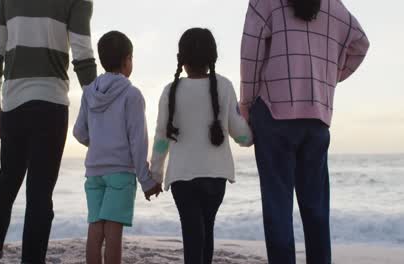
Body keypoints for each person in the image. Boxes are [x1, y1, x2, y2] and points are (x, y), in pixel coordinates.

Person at [240, 0, 370, 263]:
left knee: (278, 208)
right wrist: (328, 77)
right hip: (317, 116)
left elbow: (250, 55)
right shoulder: (334, 6)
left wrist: (247, 103)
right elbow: (360, 44)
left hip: (274, 113)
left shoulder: (264, 2)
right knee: (316, 210)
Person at [0, 0, 98, 263]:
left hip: (13, 104)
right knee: (40, 192)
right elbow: (82, 53)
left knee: (7, 181)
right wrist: (97, 107)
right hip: (51, 104)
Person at [149, 28, 253, 264]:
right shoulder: (224, 86)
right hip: (216, 177)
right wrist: (254, 134)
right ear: (212, 57)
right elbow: (242, 135)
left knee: (193, 233)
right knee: (207, 229)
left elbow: (161, 137)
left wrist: (155, 175)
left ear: (182, 59)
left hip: (182, 178)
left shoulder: (171, 91)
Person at [73, 31, 162, 264]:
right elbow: (138, 142)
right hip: (121, 172)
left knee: (95, 228)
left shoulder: (89, 93)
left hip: (94, 172)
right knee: (113, 232)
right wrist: (146, 180)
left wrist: (99, 144)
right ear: (127, 59)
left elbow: (79, 132)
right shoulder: (132, 95)